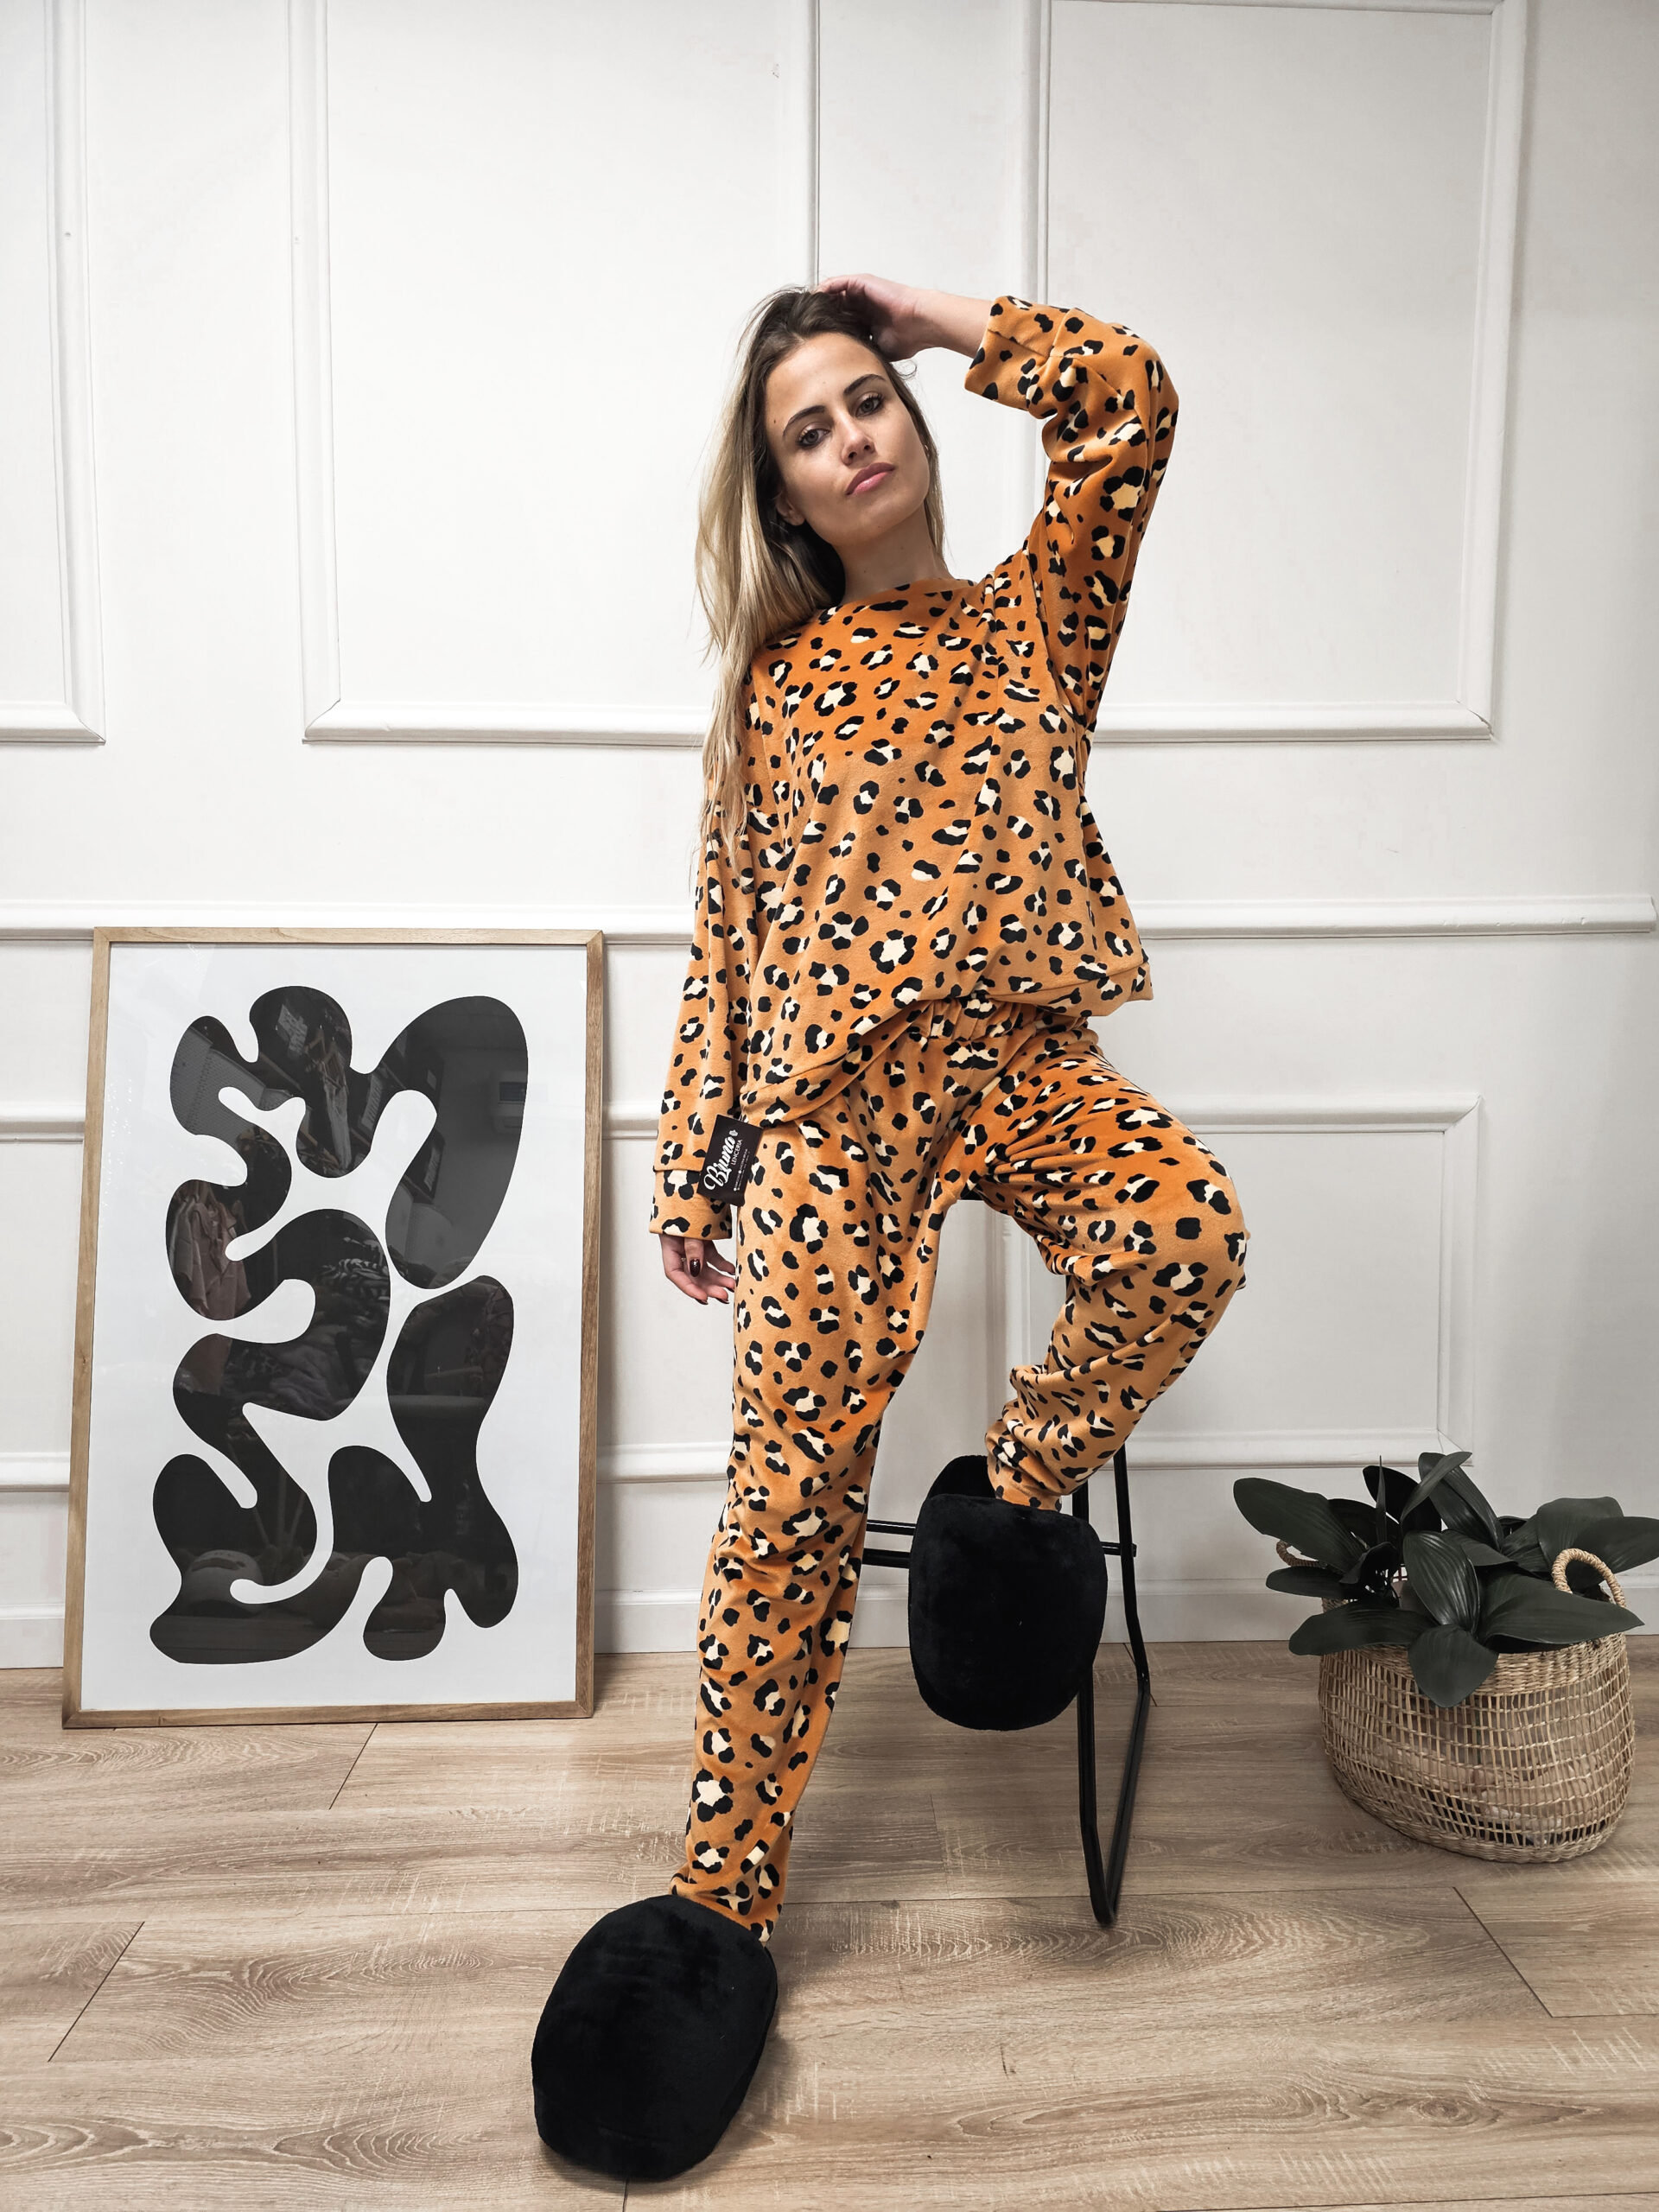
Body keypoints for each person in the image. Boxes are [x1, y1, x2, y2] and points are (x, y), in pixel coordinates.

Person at [531, 276, 1249, 2182]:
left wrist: (928, 314)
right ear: (782, 493)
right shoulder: (775, 689)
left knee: (1183, 1233)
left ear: (917, 419)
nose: (852, 436)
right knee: (785, 1493)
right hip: (833, 1116)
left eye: (869, 400)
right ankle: (718, 1898)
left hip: (1023, 1060)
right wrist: (696, 1160)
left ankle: (1011, 1493)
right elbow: (730, 942)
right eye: (809, 428)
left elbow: (1130, 404)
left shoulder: (1039, 617)